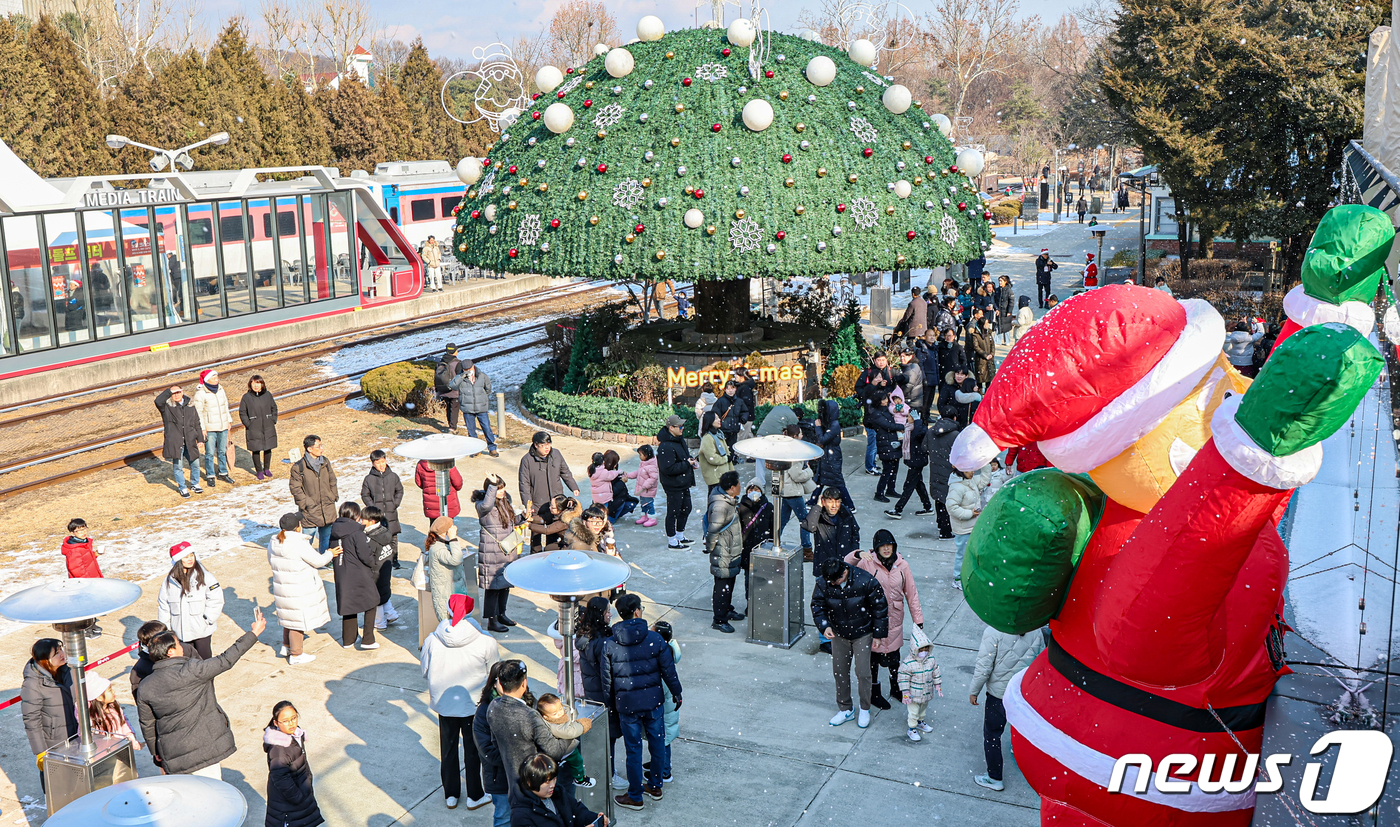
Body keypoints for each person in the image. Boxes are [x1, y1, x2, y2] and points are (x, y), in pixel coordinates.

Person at [137, 606, 268, 778]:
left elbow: (148, 725)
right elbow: (226, 659)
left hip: (173, 757)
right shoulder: (193, 670)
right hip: (206, 752)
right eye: (178, 645)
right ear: (170, 652)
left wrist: (158, 756)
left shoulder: (145, 686)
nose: (182, 647)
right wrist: (254, 633)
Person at [602, 593, 682, 812]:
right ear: (636, 611)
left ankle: (635, 795)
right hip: (653, 703)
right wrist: (677, 692)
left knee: (633, 750)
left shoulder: (610, 643)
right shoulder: (655, 639)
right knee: (657, 744)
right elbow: (669, 671)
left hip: (627, 705)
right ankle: (656, 786)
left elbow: (607, 680)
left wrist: (612, 704)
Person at [423, 593, 500, 810]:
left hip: (444, 704)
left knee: (447, 749)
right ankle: (475, 795)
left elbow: (425, 670)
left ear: (448, 610)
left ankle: (451, 794)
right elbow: (494, 673)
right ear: (469, 611)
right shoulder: (486, 641)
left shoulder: (432, 639)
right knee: (473, 749)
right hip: (473, 704)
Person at [845, 530, 923, 711]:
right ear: (876, 547)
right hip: (872, 619)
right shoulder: (867, 562)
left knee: (894, 658)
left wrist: (918, 619)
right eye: (882, 545)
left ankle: (896, 688)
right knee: (873, 659)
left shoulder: (902, 565)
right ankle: (874, 693)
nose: (886, 549)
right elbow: (845, 565)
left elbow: (911, 593)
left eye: (889, 545)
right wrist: (857, 554)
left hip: (894, 619)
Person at [811, 557, 888, 729]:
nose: (832, 583)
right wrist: (824, 626)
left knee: (863, 672)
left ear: (844, 572)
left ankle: (865, 708)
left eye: (835, 580)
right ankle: (845, 708)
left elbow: (879, 607)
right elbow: (817, 605)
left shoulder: (865, 580)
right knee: (840, 671)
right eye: (829, 581)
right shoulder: (825, 582)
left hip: (863, 632)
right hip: (839, 633)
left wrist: (878, 634)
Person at [969, 624, 1045, 791]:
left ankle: (994, 777)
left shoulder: (993, 632)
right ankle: (1022, 760)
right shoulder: (1035, 630)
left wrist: (974, 690)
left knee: (992, 735)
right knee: (1021, 731)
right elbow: (1040, 663)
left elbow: (984, 666)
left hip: (999, 695)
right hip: (1023, 694)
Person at [487, 660, 579, 795]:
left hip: (514, 783)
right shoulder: (529, 715)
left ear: (500, 684)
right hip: (536, 785)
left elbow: (495, 743)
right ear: (524, 683)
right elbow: (554, 750)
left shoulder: (493, 707)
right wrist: (572, 731)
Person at [268, 513, 336, 665]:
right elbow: (318, 561)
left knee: (288, 617)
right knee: (297, 621)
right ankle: (296, 654)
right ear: (298, 527)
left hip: (283, 587)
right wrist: (330, 553)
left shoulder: (274, 542)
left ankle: (286, 646)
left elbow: (271, 561)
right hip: (299, 587)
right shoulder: (299, 543)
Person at [21, 638, 76, 788]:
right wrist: (40, 752)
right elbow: (31, 720)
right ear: (45, 660)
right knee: (59, 787)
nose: (62, 654)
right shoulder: (32, 684)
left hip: (75, 736)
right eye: (56, 653)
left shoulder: (67, 670)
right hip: (55, 743)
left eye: (61, 650)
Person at [157, 542, 224, 660]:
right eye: (186, 557)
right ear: (178, 560)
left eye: (192, 555)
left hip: (201, 631)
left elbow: (216, 598)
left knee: (205, 663)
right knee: (186, 665)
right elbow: (164, 606)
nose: (190, 559)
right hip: (180, 633)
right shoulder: (169, 581)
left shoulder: (205, 576)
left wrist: (208, 618)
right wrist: (165, 629)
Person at [264, 700, 324, 827]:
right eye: (285, 721)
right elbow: (281, 779)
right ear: (276, 723)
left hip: (302, 795)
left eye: (294, 718)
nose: (291, 723)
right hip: (289, 805)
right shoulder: (279, 749)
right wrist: (298, 797)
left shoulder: (296, 735)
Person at [476, 474, 523, 633]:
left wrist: (523, 517)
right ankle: (492, 620)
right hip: (492, 551)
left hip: (506, 549)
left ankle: (502, 614)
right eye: (498, 488)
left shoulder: (504, 502)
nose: (502, 491)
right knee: (493, 587)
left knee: (505, 585)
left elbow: (511, 520)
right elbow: (488, 503)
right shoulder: (482, 506)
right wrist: (493, 485)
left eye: (503, 488)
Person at [330, 501, 380, 649]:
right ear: (356, 515)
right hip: (359, 574)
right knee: (372, 601)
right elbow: (364, 554)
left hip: (341, 573)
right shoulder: (356, 532)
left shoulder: (334, 531)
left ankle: (348, 639)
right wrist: (373, 562)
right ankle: (368, 639)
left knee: (348, 604)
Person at [510, 754, 605, 827]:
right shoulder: (520, 816)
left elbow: (577, 810)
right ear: (530, 782)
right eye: (547, 782)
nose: (553, 785)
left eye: (554, 779)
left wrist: (594, 818)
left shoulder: (558, 791)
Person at [474, 662, 513, 827]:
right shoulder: (484, 712)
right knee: (504, 818)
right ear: (494, 682)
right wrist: (516, 758)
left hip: (525, 777)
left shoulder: (526, 702)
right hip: (500, 779)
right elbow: (487, 750)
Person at [707, 471, 745, 633]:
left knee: (729, 583)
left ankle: (726, 610)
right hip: (723, 552)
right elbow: (713, 530)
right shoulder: (721, 506)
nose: (740, 486)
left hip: (731, 550)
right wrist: (711, 548)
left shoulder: (727, 500)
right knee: (722, 586)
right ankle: (719, 619)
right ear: (731, 488)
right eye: (738, 484)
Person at [656, 415, 698, 549]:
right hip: (673, 484)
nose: (682, 428)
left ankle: (680, 535)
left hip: (683, 482)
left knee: (686, 508)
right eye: (679, 426)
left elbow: (684, 457)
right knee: (673, 512)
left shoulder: (679, 440)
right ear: (671, 428)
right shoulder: (666, 446)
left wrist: (691, 461)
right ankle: (672, 540)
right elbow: (667, 468)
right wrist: (686, 463)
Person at [289, 435, 338, 551]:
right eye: (318, 446)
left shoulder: (325, 462)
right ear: (309, 449)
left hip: (327, 506)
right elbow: (295, 488)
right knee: (307, 539)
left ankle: (325, 558)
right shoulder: (299, 467)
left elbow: (332, 480)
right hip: (310, 509)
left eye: (321, 445)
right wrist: (305, 503)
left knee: (326, 537)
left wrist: (333, 496)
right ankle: (307, 560)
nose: (322, 449)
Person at [534, 694, 593, 790]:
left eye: (561, 708)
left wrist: (566, 708)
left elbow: (565, 710)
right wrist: (582, 725)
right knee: (577, 761)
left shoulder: (552, 716)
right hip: (566, 751)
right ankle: (579, 778)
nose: (560, 713)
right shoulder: (556, 727)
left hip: (559, 749)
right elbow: (571, 731)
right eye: (555, 713)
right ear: (545, 716)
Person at [155, 385, 203, 497]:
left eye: (178, 392)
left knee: (195, 463)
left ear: (182, 392)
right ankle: (182, 487)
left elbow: (197, 423)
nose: (176, 395)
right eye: (173, 393)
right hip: (176, 441)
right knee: (178, 466)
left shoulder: (191, 405)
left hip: (190, 439)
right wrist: (168, 391)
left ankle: (195, 484)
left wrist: (200, 438)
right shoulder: (167, 406)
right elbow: (158, 401)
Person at [649, 620, 681, 785]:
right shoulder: (668, 652)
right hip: (668, 709)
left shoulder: (662, 659)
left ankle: (664, 770)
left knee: (662, 740)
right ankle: (659, 764)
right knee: (662, 739)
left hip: (664, 709)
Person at [897, 626, 942, 742]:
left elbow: (935, 672)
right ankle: (911, 728)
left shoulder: (931, 660)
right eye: (921, 650)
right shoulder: (908, 663)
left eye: (926, 650)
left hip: (926, 692)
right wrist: (905, 694)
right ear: (914, 649)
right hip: (913, 694)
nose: (924, 652)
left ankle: (920, 722)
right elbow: (903, 679)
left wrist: (937, 684)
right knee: (913, 712)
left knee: (923, 709)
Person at [361, 449, 404, 568]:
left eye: (383, 461)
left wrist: (395, 503)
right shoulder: (369, 479)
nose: (381, 465)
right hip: (378, 515)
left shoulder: (393, 476)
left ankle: (394, 559)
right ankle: (381, 558)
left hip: (391, 512)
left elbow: (399, 490)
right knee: (378, 536)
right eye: (378, 462)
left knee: (393, 537)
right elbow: (365, 494)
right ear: (373, 463)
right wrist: (373, 508)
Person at [776, 426, 815, 553]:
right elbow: (797, 475)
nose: (802, 436)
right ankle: (807, 548)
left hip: (785, 490)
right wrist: (809, 471)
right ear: (795, 436)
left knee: (782, 520)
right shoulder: (795, 453)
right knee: (805, 520)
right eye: (800, 434)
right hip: (793, 492)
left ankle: (774, 541)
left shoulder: (783, 449)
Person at [803, 486, 861, 571]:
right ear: (823, 502)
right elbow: (809, 527)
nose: (834, 506)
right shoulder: (818, 515)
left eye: (837, 502)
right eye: (830, 502)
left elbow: (855, 533)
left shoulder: (846, 514)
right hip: (824, 566)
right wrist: (818, 506)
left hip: (844, 565)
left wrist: (852, 555)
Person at [518, 432, 581, 509]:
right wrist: (528, 505)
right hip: (539, 503)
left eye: (548, 444)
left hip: (557, 500)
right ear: (536, 445)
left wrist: (573, 486)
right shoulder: (527, 460)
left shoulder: (556, 454)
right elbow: (524, 484)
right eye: (543, 446)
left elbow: (565, 472)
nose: (547, 448)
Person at [886, 413, 932, 518]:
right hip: (913, 460)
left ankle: (898, 509)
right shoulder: (910, 428)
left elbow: (918, 435)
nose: (908, 419)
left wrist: (917, 421)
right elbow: (910, 442)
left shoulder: (921, 428)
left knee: (908, 486)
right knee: (918, 484)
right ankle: (928, 506)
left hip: (917, 461)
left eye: (910, 417)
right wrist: (899, 445)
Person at [855, 354, 894, 475]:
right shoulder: (869, 385)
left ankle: (872, 464)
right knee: (872, 445)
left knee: (876, 443)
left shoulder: (889, 371)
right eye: (879, 360)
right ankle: (870, 466)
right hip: (871, 420)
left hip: (878, 418)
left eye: (883, 360)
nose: (881, 362)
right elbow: (862, 389)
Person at [192, 369, 233, 486]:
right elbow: (198, 413)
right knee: (209, 453)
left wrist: (228, 420)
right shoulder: (200, 393)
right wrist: (202, 429)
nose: (217, 379)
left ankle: (223, 473)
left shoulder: (221, 390)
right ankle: (210, 475)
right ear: (207, 380)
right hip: (210, 428)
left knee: (222, 451)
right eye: (214, 377)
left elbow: (225, 406)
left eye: (217, 377)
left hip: (222, 425)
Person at [813, 399, 854, 513]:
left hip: (832, 456)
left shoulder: (834, 424)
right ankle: (812, 500)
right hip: (827, 454)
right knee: (821, 478)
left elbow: (823, 439)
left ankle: (850, 505)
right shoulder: (828, 422)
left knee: (837, 480)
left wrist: (818, 427)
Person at [425, 516, 468, 624]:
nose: (455, 527)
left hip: (453, 591)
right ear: (446, 531)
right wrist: (453, 538)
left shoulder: (440, 542)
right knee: (449, 625)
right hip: (446, 595)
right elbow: (456, 559)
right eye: (452, 526)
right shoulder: (438, 549)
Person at [946, 469, 984, 590]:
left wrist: (986, 464)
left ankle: (969, 575)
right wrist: (969, 514)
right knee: (962, 553)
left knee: (972, 553)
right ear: (961, 471)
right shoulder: (957, 487)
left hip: (973, 525)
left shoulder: (970, 481)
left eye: (973, 469)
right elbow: (951, 507)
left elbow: (985, 479)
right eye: (968, 470)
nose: (972, 472)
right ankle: (957, 578)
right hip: (963, 528)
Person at [363, 506, 400, 630]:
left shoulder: (370, 539)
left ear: (372, 521)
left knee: (376, 599)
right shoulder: (385, 531)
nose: (361, 522)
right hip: (385, 569)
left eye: (364, 519)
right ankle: (391, 614)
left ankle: (379, 623)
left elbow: (367, 557)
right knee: (384, 593)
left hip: (375, 573)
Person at [452, 359, 499, 456]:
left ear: (473, 366)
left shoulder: (482, 376)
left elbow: (488, 389)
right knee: (471, 430)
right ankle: (475, 449)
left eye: (469, 368)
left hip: (481, 407)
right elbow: (452, 385)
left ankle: (492, 448)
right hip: (467, 408)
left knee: (486, 428)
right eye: (465, 369)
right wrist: (461, 376)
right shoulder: (460, 378)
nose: (468, 370)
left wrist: (483, 399)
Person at [82, 675, 140, 751]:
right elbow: (87, 737)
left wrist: (130, 736)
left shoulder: (114, 706)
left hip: (120, 748)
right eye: (109, 690)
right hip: (103, 753)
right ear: (99, 697)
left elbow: (124, 722)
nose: (113, 692)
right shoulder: (90, 718)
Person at [697, 411, 734, 532]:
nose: (719, 420)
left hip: (723, 476)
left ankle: (722, 527)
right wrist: (725, 459)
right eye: (716, 418)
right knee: (715, 506)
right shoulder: (708, 437)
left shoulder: (719, 434)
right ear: (709, 421)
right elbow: (711, 457)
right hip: (715, 477)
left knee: (724, 505)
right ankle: (711, 530)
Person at [238, 374, 279, 482]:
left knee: (268, 447)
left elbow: (274, 407)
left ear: (262, 384)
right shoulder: (246, 397)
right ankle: (259, 471)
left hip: (267, 425)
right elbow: (242, 412)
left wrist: (273, 419)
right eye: (253, 383)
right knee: (255, 449)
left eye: (258, 383)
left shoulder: (268, 395)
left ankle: (267, 469)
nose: (256, 386)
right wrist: (248, 423)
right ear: (250, 384)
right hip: (254, 427)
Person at [925, 416, 960, 538]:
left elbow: (924, 448)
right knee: (949, 499)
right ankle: (946, 530)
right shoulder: (956, 435)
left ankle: (940, 523)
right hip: (950, 472)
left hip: (935, 470)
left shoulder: (931, 431)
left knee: (938, 498)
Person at [588, 450, 637, 524]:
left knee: (630, 503)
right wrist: (621, 481)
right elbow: (613, 490)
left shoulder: (594, 470)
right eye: (615, 463)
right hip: (608, 500)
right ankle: (607, 521)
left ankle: (605, 519)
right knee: (607, 510)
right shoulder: (605, 473)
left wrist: (621, 475)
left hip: (599, 499)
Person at [61, 517, 104, 594]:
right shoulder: (75, 549)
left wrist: (95, 554)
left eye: (84, 529)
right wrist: (88, 583)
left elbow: (84, 559)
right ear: (72, 533)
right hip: (86, 582)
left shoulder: (84, 543)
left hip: (92, 576)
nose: (83, 532)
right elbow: (75, 569)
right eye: (79, 531)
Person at [416, 458, 464, 523]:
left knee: (434, 527)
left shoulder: (421, 464)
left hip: (431, 504)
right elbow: (458, 483)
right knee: (448, 527)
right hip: (447, 501)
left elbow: (419, 483)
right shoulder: (448, 462)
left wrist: (428, 488)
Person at [435, 343, 465, 432]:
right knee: (454, 408)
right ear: (455, 352)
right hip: (454, 390)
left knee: (448, 407)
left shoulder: (440, 362)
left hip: (443, 388)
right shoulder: (457, 363)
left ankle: (450, 424)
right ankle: (453, 427)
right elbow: (460, 376)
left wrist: (437, 388)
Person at [710, 381, 744, 451]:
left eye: (732, 388)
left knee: (732, 448)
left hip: (734, 429)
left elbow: (744, 411)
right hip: (723, 429)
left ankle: (732, 460)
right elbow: (715, 413)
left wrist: (743, 418)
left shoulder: (739, 401)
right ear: (725, 390)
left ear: (735, 389)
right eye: (728, 389)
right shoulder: (720, 401)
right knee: (723, 448)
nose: (730, 390)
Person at [968, 314, 997, 390]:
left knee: (989, 379)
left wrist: (992, 354)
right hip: (981, 360)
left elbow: (992, 344)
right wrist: (985, 355)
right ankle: (979, 397)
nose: (988, 325)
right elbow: (976, 347)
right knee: (980, 380)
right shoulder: (976, 335)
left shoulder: (989, 333)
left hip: (989, 360)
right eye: (986, 323)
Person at [894, 348, 925, 417]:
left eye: (904, 356)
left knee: (910, 424)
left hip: (912, 402)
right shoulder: (907, 367)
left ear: (910, 357)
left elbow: (909, 385)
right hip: (910, 400)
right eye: (901, 356)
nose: (902, 358)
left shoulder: (912, 368)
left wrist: (898, 395)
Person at [633, 445, 658, 527]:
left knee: (649, 504)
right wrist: (628, 475)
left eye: (641, 454)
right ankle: (644, 516)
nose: (639, 457)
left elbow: (654, 477)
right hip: (642, 490)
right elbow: (638, 473)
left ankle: (652, 518)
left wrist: (645, 485)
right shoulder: (643, 464)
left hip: (647, 490)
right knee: (643, 503)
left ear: (646, 455)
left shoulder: (651, 466)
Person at [995, 276, 1015, 344]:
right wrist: (996, 309)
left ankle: (1007, 341)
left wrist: (1009, 311)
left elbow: (1011, 302)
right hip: (999, 311)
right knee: (999, 325)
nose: (1000, 282)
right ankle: (998, 341)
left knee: (1006, 326)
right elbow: (994, 300)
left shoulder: (1009, 291)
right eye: (999, 281)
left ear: (1005, 282)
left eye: (1001, 281)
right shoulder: (997, 290)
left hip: (1006, 311)